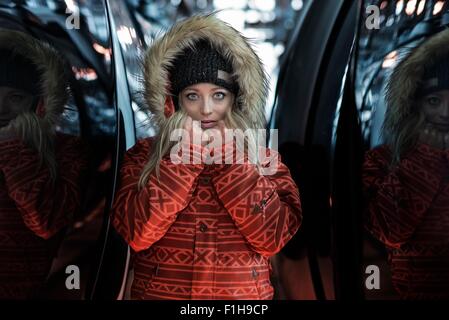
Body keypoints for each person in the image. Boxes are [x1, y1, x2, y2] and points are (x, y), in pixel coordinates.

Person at [111, 13, 302, 300]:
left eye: (218, 95)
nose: (206, 109)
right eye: (192, 96)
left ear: (235, 100)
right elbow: (138, 235)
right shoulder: (142, 157)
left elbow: (272, 239)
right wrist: (183, 161)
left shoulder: (263, 159)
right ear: (172, 103)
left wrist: (232, 165)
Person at [0, 27, 88, 299]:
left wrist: (13, 147)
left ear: (40, 103)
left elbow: (46, 222)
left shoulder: (65, 152)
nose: (1, 108)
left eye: (15, 97)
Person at [363, 29, 449, 299]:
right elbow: (390, 230)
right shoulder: (382, 162)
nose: (445, 113)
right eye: (434, 101)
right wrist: (425, 158)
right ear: (414, 106)